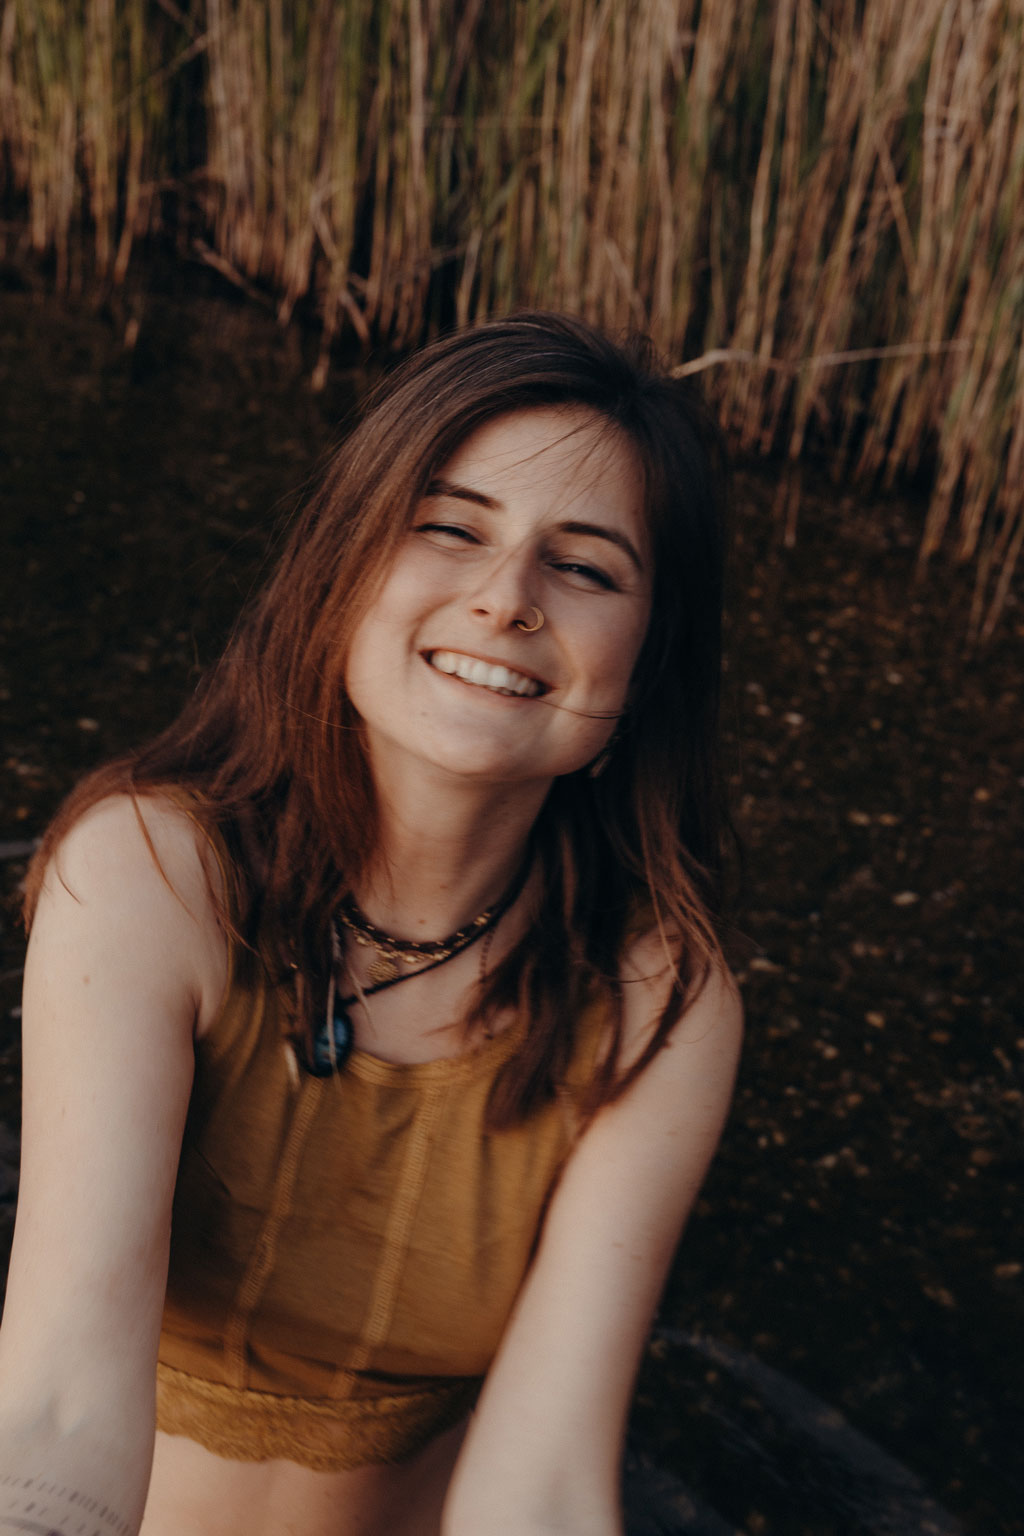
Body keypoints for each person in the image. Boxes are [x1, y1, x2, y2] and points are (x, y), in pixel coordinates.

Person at [0, 312, 743, 1536]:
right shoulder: (149, 872)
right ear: (341, 568)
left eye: (587, 567)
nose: (506, 598)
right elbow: (63, 1411)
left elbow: (545, 1478)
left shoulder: (655, 995)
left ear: (645, 667)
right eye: (450, 528)